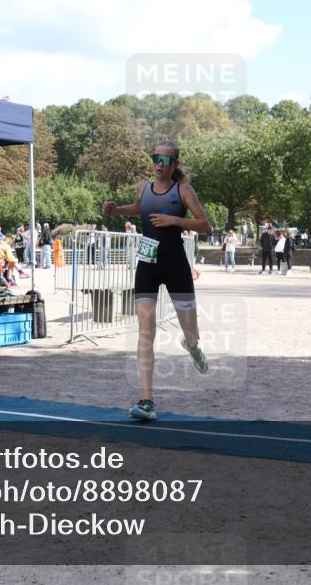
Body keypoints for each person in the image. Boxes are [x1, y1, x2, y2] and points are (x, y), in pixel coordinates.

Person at [101, 141, 211, 421]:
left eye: (165, 159)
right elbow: (139, 208)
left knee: (190, 332)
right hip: (147, 265)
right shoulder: (143, 186)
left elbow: (205, 225)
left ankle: (193, 347)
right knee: (145, 332)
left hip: (176, 266)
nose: (159, 163)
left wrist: (174, 221)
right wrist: (116, 210)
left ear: (174, 165)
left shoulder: (183, 190)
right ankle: (147, 400)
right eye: (156, 158)